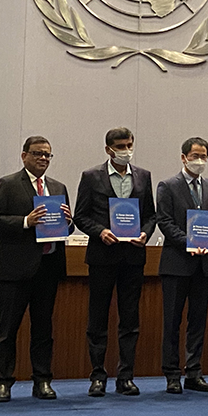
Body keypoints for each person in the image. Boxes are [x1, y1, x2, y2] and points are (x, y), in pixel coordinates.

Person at [0, 136, 73, 402]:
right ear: (24, 156)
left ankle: (43, 380)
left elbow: (65, 228)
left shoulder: (58, 187)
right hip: (15, 270)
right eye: (37, 154)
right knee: (7, 329)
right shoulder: (7, 184)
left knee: (43, 329)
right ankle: (3, 382)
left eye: (47, 155)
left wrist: (69, 222)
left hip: (48, 268)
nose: (43, 159)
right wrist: (25, 221)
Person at [73, 127, 156, 397]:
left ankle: (126, 376)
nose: (126, 150)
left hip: (133, 257)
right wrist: (100, 231)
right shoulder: (90, 177)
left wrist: (145, 232)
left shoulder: (143, 176)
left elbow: (151, 215)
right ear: (108, 149)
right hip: (102, 257)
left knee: (130, 319)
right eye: (120, 146)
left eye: (129, 145)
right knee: (98, 318)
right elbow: (80, 216)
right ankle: (97, 376)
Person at [156, 137, 208, 394]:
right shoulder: (167, 186)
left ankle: (194, 372)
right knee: (172, 321)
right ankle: (172, 374)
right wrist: (190, 242)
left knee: (198, 321)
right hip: (176, 263)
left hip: (204, 265)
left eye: (204, 156)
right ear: (183, 157)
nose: (200, 160)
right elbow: (164, 221)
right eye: (195, 155)